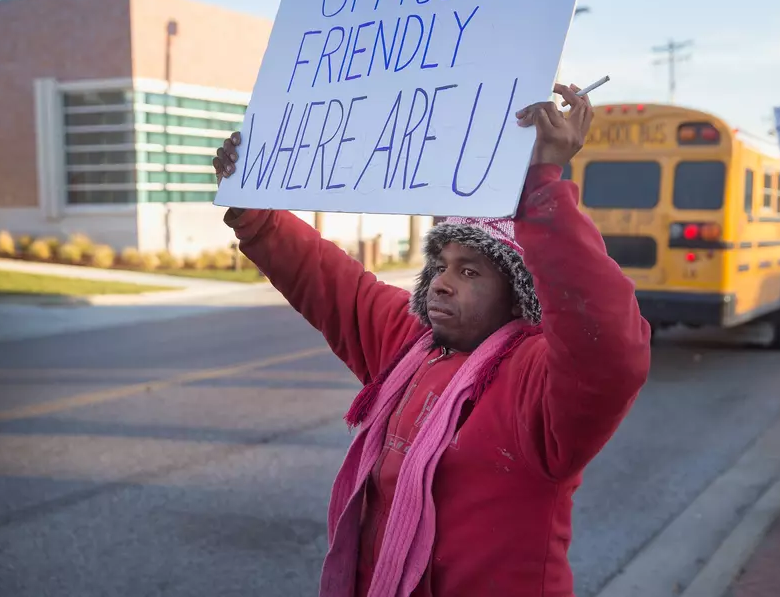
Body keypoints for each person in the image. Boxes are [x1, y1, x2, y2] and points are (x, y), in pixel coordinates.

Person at [212, 83, 651, 596]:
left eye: (470, 272)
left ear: (516, 295)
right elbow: (327, 280)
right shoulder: (412, 343)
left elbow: (610, 347)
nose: (442, 281)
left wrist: (542, 184)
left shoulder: (539, 381)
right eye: (440, 265)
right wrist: (253, 206)